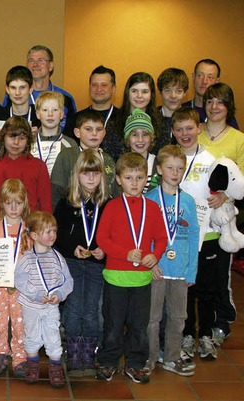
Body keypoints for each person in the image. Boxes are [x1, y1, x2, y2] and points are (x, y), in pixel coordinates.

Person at [95, 152, 167, 384]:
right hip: (115, 277)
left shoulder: (153, 208)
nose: (134, 183)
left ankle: (135, 364)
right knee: (113, 324)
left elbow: (162, 238)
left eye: (139, 177)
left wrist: (154, 256)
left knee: (139, 325)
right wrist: (125, 254)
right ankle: (108, 362)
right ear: (118, 179)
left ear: (147, 178)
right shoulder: (113, 206)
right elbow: (102, 239)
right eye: (128, 177)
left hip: (141, 280)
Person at [172, 107, 226, 363]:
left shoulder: (213, 159)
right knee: (185, 288)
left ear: (199, 128)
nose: (185, 134)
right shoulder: (170, 158)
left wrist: (224, 196)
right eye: (179, 129)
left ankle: (205, 334)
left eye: (189, 128)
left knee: (206, 287)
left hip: (209, 234)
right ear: (173, 132)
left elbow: (231, 188)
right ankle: (186, 334)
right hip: (179, 236)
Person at [144, 145, 199, 377]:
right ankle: (150, 356)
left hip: (180, 270)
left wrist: (192, 272)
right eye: (169, 168)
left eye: (179, 168)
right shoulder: (150, 199)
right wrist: (151, 263)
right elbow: (143, 235)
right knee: (152, 317)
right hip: (156, 269)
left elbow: (194, 235)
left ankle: (172, 357)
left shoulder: (187, 201)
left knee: (178, 317)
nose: (175, 173)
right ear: (159, 169)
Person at [54, 149, 109, 376]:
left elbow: (112, 234)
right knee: (75, 308)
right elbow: (57, 234)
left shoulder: (108, 204)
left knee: (93, 309)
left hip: (97, 265)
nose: (91, 179)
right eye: (86, 174)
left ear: (102, 177)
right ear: (77, 175)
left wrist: (103, 251)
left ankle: (90, 352)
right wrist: (71, 248)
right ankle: (74, 353)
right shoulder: (66, 203)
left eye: (95, 174)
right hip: (72, 263)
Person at [196, 83, 243, 344]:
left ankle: (221, 322)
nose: (214, 107)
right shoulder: (195, 134)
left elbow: (243, 178)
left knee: (220, 275)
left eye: (220, 102)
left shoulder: (239, 139)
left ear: (228, 107)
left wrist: (226, 195)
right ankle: (197, 327)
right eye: (210, 101)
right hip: (196, 218)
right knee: (198, 276)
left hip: (222, 220)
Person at [15, 210, 73, 387]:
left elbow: (68, 280)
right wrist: (36, 294)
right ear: (34, 235)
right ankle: (33, 365)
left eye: (54, 231)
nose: (53, 235)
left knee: (53, 335)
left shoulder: (58, 257)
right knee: (31, 335)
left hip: (50, 307)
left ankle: (55, 368)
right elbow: (19, 281)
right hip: (31, 306)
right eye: (48, 231)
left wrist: (60, 295)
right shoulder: (26, 258)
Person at [0, 178, 30, 378]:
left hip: (22, 286)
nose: (13, 207)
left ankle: (20, 356)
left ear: (25, 204)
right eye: (9, 202)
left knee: (21, 322)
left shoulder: (29, 229)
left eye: (18, 203)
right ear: (1, 202)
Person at [0, 116, 51, 227]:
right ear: (3, 137)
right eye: (12, 137)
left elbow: (46, 205)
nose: (16, 143)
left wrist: (45, 230)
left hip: (29, 230)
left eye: (22, 138)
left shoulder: (39, 166)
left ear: (28, 141)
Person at [51, 109, 117, 210]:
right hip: (72, 214)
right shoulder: (67, 156)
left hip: (103, 215)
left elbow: (114, 194)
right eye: (88, 129)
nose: (94, 133)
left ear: (104, 133)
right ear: (77, 132)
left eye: (99, 129)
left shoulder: (108, 159)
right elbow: (56, 191)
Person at [3, 45, 77, 130]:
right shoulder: (14, 96)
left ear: (51, 66)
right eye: (31, 60)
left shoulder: (66, 98)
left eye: (40, 60)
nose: (35, 64)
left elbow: (72, 130)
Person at [64, 66, 123, 161]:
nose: (99, 89)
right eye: (94, 85)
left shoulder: (123, 119)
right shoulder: (74, 119)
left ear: (114, 88)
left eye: (104, 85)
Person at [31, 91, 78, 176]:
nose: (50, 114)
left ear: (62, 115)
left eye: (55, 110)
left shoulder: (70, 144)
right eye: (45, 110)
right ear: (38, 114)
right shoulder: (29, 141)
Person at [182, 59, 239, 129]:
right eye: (200, 75)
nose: (204, 81)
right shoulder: (181, 110)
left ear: (217, 81)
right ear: (193, 77)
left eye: (210, 77)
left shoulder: (223, 114)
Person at [118, 72, 163, 155]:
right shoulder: (115, 121)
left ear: (151, 95)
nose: (139, 96)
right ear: (127, 93)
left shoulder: (160, 123)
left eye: (145, 91)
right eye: (134, 91)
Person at [124, 109, 158, 193]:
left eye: (145, 134)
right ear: (128, 138)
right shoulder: (121, 163)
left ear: (151, 138)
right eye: (135, 135)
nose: (140, 139)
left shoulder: (158, 163)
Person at [156, 68, 189, 146]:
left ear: (185, 93)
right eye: (167, 90)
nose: (173, 96)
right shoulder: (152, 118)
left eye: (178, 91)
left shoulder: (192, 118)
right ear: (160, 92)